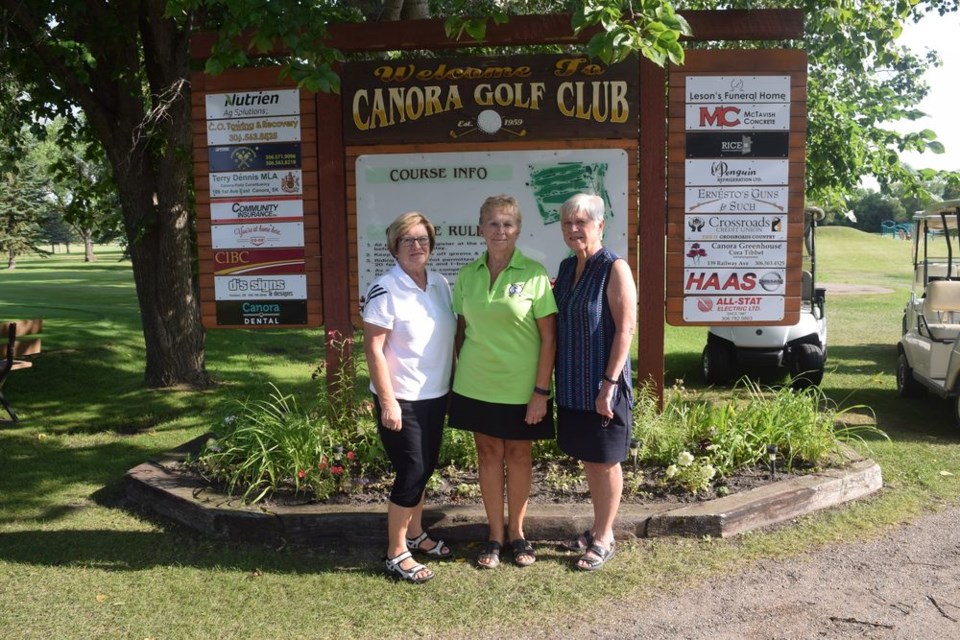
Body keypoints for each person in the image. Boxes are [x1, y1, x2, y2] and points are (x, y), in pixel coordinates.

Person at [448, 194, 557, 569]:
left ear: (518, 230)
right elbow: (459, 333)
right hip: (475, 386)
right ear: (480, 229)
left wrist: (541, 392)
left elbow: (549, 339)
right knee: (488, 455)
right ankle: (494, 535)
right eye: (493, 223)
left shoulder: (535, 274)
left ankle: (518, 534)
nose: (500, 230)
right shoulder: (467, 275)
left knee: (519, 455)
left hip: (522, 388)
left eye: (507, 224)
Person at [362, 211, 456, 584]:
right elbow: (373, 348)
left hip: (435, 394)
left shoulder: (439, 283)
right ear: (394, 247)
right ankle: (395, 551)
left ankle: (415, 534)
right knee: (412, 470)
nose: (416, 246)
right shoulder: (385, 288)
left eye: (422, 239)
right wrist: (387, 402)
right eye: (407, 240)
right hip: (401, 398)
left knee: (426, 466)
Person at [553, 193, 637, 571]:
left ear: (600, 225)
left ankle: (604, 536)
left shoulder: (614, 267)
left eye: (581, 222)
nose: (574, 229)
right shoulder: (567, 267)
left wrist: (609, 383)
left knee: (605, 461)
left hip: (603, 387)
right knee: (590, 459)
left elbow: (626, 329)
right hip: (572, 385)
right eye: (568, 223)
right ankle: (597, 526)